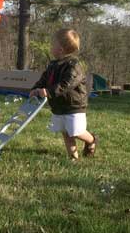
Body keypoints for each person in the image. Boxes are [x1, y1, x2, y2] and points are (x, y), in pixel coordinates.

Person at [30, 29, 97, 161]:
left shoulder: (74, 66)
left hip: (73, 105)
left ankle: (91, 140)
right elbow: (44, 78)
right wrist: (36, 88)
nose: (50, 47)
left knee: (76, 131)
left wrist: (48, 92)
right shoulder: (52, 65)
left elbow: (66, 84)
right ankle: (73, 157)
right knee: (66, 132)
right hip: (59, 105)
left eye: (52, 44)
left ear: (60, 49)